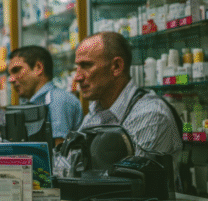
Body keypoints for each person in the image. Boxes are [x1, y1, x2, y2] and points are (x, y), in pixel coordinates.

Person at [74, 32, 182, 168]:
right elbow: (72, 164)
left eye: (86, 65)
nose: (77, 77)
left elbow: (129, 183)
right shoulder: (96, 112)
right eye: (77, 67)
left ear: (117, 67)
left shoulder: (150, 114)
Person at [8, 45, 83, 146]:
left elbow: (60, 153)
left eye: (16, 70)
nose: (11, 79)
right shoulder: (33, 103)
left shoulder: (56, 100)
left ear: (38, 68)